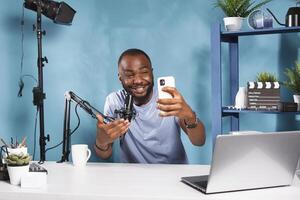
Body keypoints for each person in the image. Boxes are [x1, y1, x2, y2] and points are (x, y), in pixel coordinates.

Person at [94, 48, 205, 163]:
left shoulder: (169, 97)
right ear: (120, 78)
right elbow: (104, 154)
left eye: (144, 72)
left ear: (152, 73)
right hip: (133, 177)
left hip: (173, 174)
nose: (137, 80)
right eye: (129, 75)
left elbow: (199, 141)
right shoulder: (114, 101)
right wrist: (101, 141)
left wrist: (190, 116)